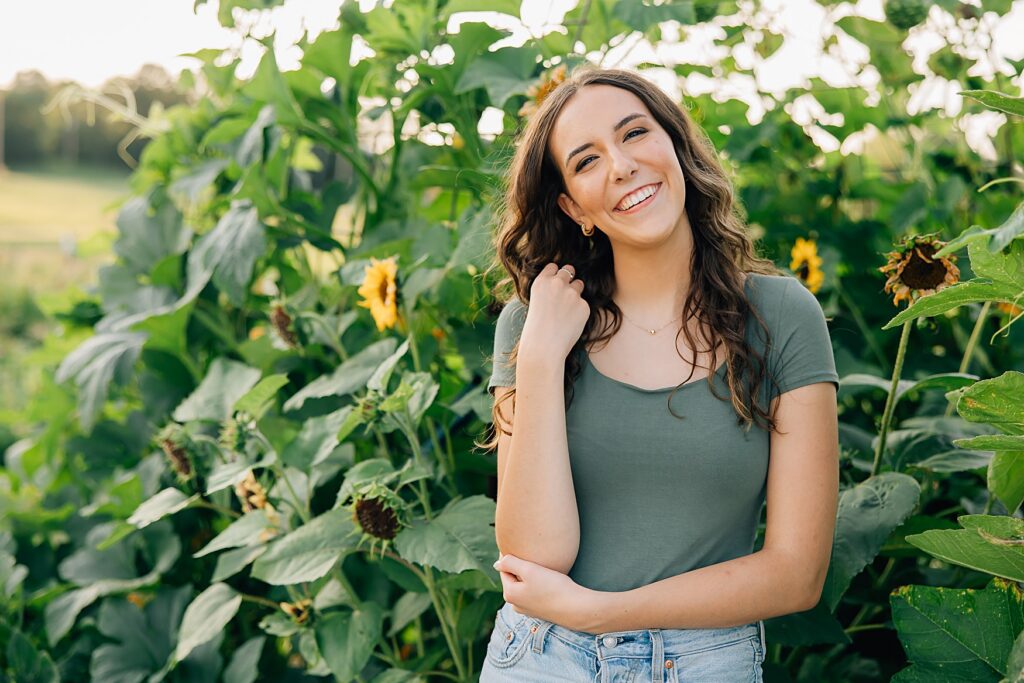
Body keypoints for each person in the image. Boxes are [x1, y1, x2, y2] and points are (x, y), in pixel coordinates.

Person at [476, 66, 840, 682]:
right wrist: (538, 359)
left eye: (635, 133)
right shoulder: (535, 323)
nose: (620, 166)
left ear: (676, 145)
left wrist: (602, 614)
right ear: (572, 206)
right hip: (540, 659)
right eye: (586, 161)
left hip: (703, 663)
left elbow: (796, 574)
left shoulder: (780, 316)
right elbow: (535, 557)